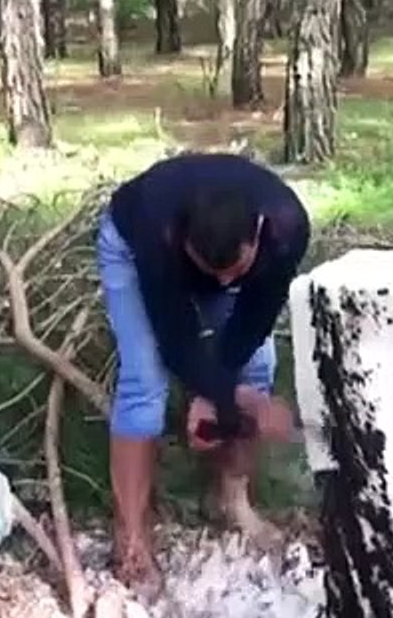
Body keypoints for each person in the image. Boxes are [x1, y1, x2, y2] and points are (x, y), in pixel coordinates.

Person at [95, 152, 310, 588]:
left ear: (258, 234)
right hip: (130, 246)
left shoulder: (288, 227)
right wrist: (218, 394)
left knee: (258, 365)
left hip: (214, 255)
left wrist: (219, 395)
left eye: (236, 270)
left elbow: (254, 320)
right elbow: (176, 341)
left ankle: (234, 502)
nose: (223, 282)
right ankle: (132, 536)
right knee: (144, 381)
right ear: (182, 239)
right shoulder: (156, 231)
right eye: (213, 271)